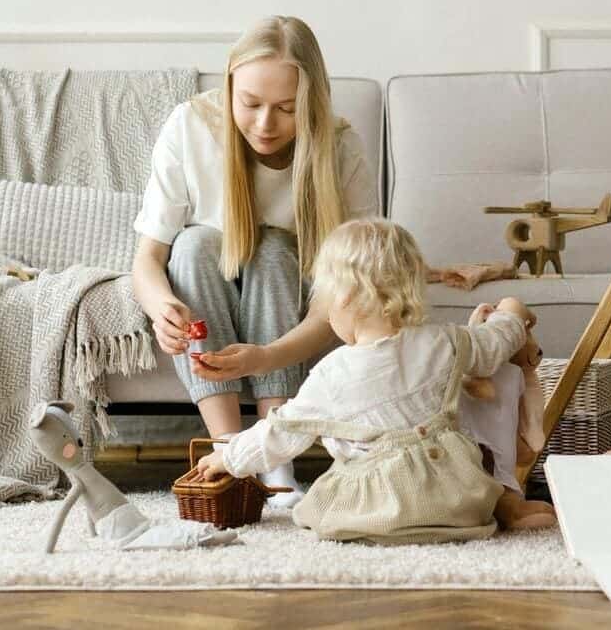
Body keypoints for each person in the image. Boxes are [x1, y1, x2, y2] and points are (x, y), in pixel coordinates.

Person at [131, 16, 376, 506]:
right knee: (195, 244)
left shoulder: (340, 146)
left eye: (286, 109)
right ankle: (229, 451)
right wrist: (161, 309)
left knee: (271, 248)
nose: (265, 125)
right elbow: (148, 260)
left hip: (285, 291)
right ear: (229, 89)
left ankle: (273, 459)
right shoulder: (189, 126)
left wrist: (267, 356)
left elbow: (343, 295)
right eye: (250, 104)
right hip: (208, 281)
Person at [193, 219, 541, 543]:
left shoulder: (332, 374)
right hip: (454, 501)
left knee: (321, 504)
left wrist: (227, 458)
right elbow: (495, 345)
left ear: (343, 297)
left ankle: (379, 522)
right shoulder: (445, 342)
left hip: (374, 512)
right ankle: (498, 499)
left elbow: (279, 433)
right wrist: (511, 312)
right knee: (489, 381)